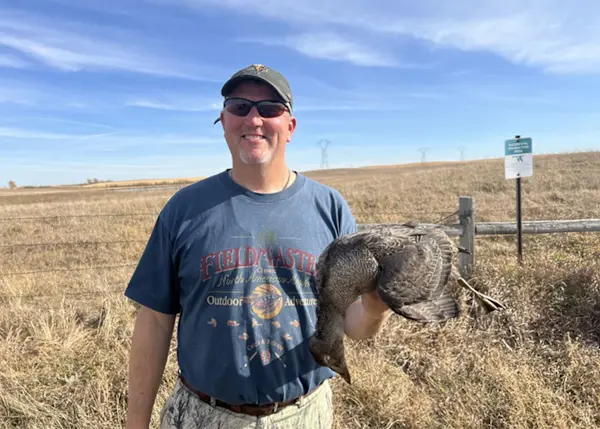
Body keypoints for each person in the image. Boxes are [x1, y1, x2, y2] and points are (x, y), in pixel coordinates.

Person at [123, 64, 392, 429]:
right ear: (223, 121)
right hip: (203, 416)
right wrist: (135, 423)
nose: (254, 120)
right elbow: (154, 320)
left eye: (269, 109)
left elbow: (351, 325)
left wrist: (376, 306)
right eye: (239, 107)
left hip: (304, 414)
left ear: (290, 127)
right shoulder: (183, 210)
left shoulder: (329, 209)